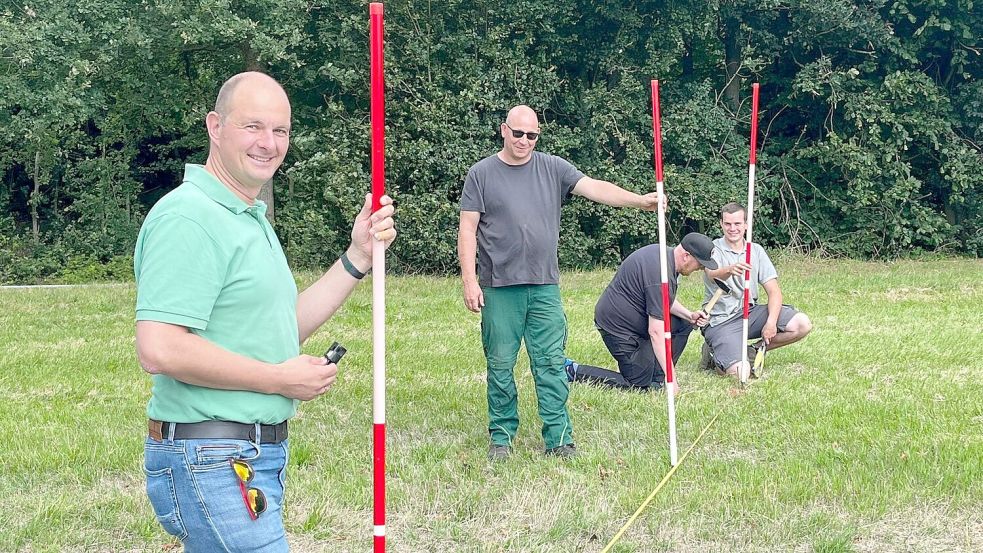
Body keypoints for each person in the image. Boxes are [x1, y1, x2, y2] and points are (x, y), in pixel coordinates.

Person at [133, 72, 396, 552]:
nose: (269, 143)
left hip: (243, 455)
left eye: (281, 130)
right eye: (253, 126)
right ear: (215, 126)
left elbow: (280, 328)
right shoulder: (189, 218)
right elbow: (160, 347)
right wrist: (277, 379)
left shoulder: (247, 216)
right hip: (211, 456)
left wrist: (357, 257)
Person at [458, 105, 663, 461]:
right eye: (518, 133)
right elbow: (467, 228)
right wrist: (469, 280)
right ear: (504, 130)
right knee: (501, 364)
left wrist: (639, 201)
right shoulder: (482, 174)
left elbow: (595, 188)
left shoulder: (552, 167)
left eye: (532, 135)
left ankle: (559, 439)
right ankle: (501, 437)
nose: (525, 141)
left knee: (551, 363)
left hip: (544, 287)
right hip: (498, 287)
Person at [575, 233, 718, 391]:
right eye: (700, 264)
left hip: (636, 320)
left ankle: (658, 379)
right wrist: (673, 380)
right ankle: (573, 370)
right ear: (686, 256)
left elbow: (662, 300)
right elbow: (656, 332)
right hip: (617, 328)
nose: (700, 269)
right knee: (637, 384)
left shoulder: (666, 259)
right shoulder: (660, 273)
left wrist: (689, 315)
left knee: (683, 323)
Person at [699, 202, 812, 377]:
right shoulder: (713, 249)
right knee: (740, 373)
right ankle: (714, 354)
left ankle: (753, 351)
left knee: (802, 324)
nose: (732, 228)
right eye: (727, 224)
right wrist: (729, 270)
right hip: (720, 321)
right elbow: (712, 273)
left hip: (749, 312)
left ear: (745, 225)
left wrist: (771, 323)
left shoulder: (756, 251)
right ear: (721, 224)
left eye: (737, 224)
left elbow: (774, 291)